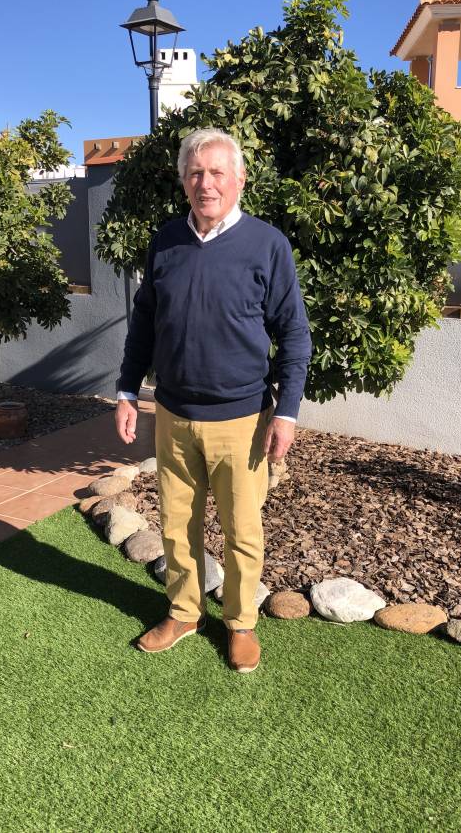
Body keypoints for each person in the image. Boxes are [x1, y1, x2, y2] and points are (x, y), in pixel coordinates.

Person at [115, 128, 311, 672]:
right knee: (177, 524)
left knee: (242, 530)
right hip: (173, 415)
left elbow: (294, 334)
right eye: (196, 173)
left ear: (239, 179)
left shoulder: (267, 244)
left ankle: (240, 623)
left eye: (217, 172)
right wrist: (127, 390)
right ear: (183, 181)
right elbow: (145, 323)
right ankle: (184, 613)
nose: (207, 183)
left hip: (242, 420)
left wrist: (287, 412)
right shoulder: (166, 241)